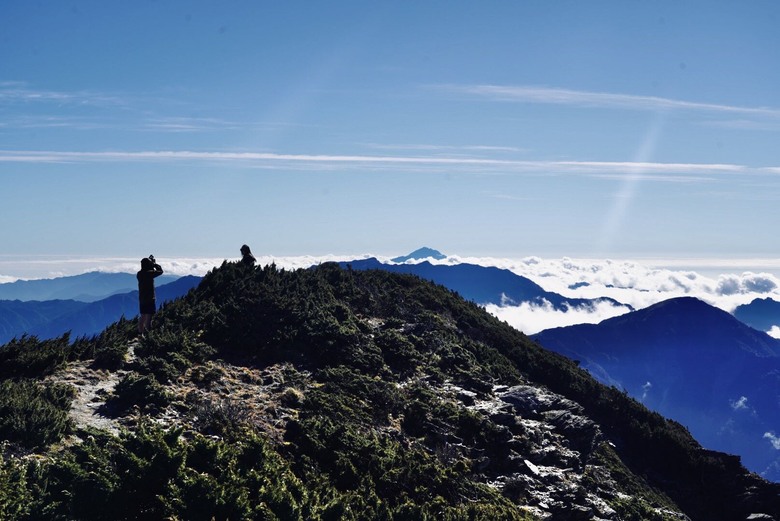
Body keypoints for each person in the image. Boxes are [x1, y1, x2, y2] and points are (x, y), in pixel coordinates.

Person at [137, 254, 164, 335]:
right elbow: (160, 271)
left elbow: (149, 271)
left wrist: (151, 264)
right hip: (150, 298)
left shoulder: (139, 274)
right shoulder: (149, 274)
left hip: (142, 298)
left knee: (143, 316)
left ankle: (140, 333)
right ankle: (148, 334)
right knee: (149, 316)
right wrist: (154, 264)